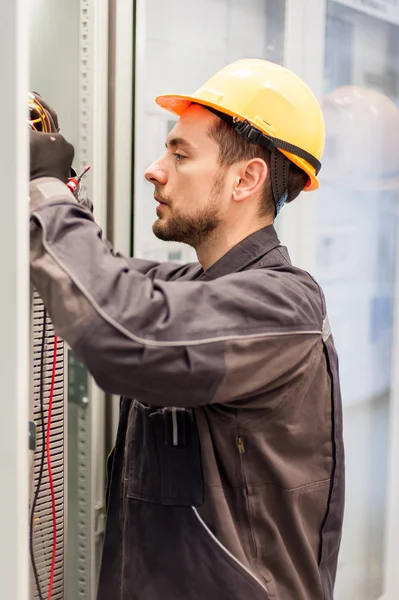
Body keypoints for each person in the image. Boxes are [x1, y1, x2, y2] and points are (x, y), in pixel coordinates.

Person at [29, 59, 344, 600]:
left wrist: (43, 188)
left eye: (179, 154)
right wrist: (55, 195)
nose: (155, 169)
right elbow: (114, 283)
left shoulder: (284, 308)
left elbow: (126, 332)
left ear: (246, 178)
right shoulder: (200, 289)